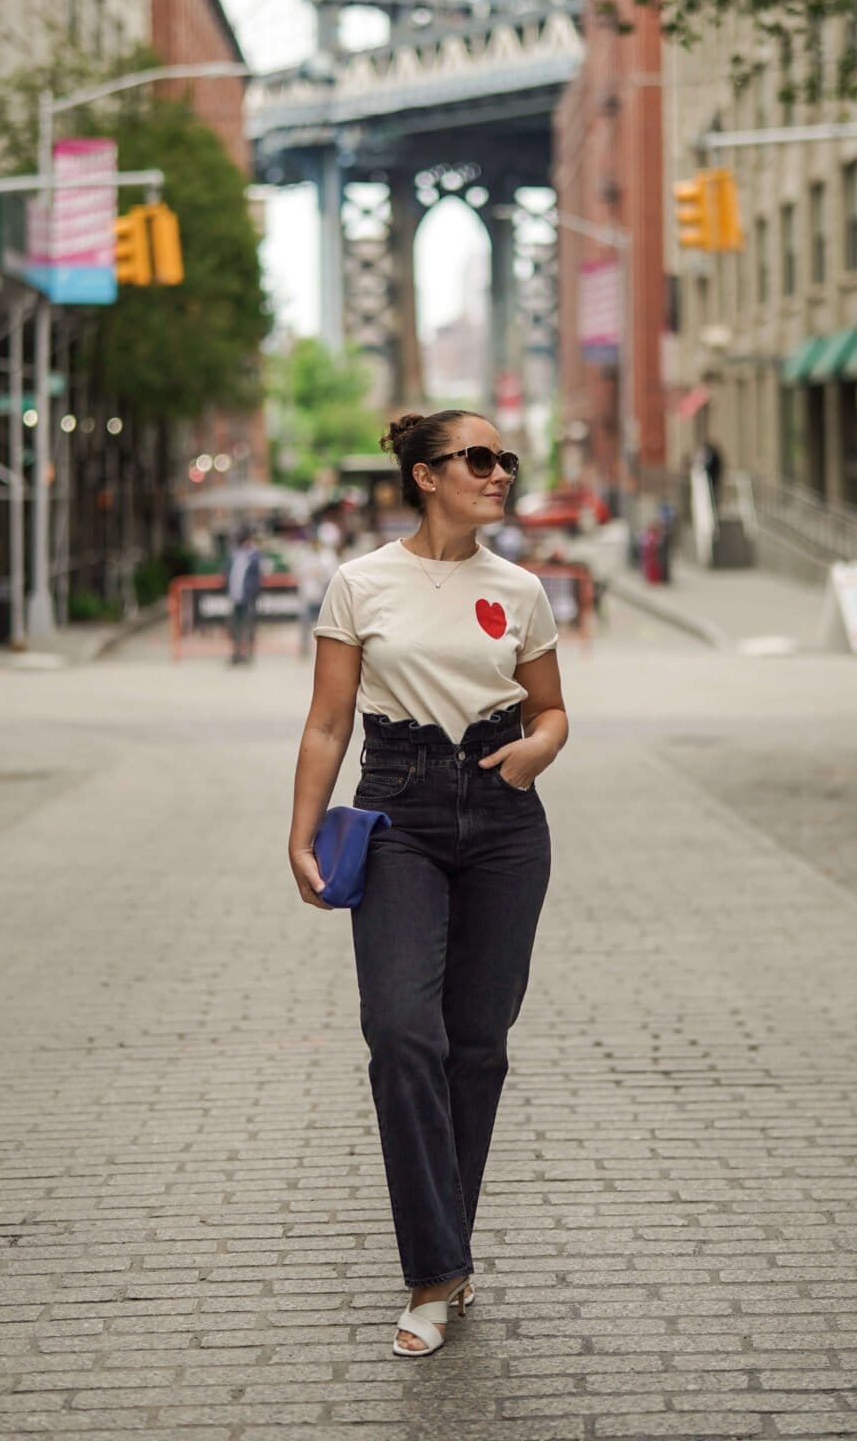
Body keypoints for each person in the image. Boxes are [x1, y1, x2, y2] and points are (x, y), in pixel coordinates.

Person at [288, 411, 569, 1358]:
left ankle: (441, 1264)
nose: (498, 474)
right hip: (398, 808)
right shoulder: (362, 582)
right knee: (403, 1033)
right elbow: (329, 722)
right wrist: (301, 836)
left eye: (504, 461)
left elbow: (554, 710)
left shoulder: (520, 588)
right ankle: (437, 1266)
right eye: (478, 459)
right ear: (424, 474)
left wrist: (533, 753)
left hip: (501, 815)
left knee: (477, 1046)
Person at [293, 523, 340, 658]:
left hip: (323, 596)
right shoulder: (305, 554)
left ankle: (328, 651)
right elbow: (299, 572)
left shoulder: (327, 555)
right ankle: (304, 649)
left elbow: (332, 575)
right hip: (307, 595)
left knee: (326, 627)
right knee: (305, 624)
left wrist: (320, 573)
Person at [225, 526, 262, 665]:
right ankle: (236, 654)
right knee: (235, 627)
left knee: (248, 626)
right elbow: (228, 573)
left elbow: (257, 578)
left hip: (248, 598)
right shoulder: (234, 555)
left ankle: (248, 654)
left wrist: (252, 593)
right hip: (235, 597)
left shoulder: (253, 556)